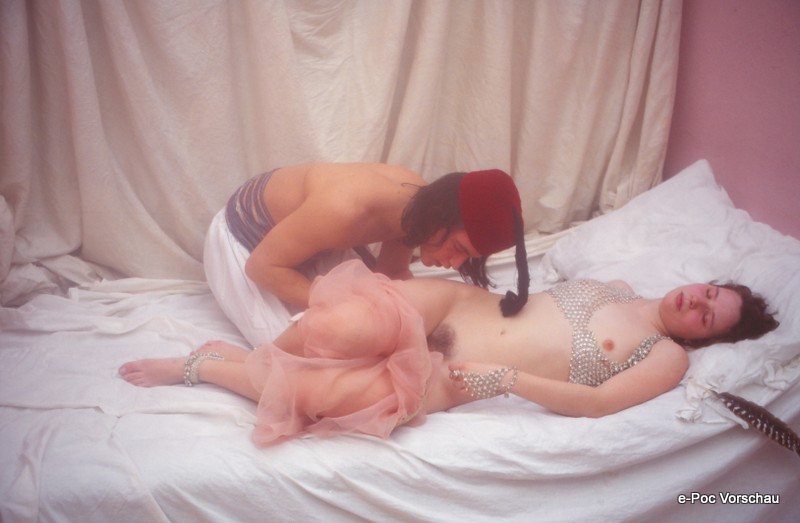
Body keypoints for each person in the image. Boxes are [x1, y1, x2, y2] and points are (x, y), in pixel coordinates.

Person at [118, 259, 779, 446]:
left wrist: (509, 378)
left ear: (703, 337)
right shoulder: (618, 283)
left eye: (707, 316)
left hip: (465, 375)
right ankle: (255, 353)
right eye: (708, 291)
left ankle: (205, 366)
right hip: (458, 307)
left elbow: (599, 404)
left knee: (327, 400)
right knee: (342, 324)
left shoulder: (667, 357)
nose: (696, 302)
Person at [204, 163, 528, 346]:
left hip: (308, 244)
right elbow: (261, 267)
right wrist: (337, 305)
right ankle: (211, 361)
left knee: (371, 334)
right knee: (305, 354)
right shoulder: (344, 210)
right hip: (247, 243)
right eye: (458, 249)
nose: (454, 264)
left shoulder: (416, 210)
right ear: (441, 215)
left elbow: (392, 274)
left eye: (466, 258)